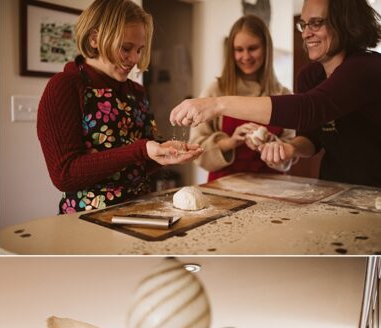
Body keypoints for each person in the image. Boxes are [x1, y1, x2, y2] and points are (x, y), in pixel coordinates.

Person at [170, 0, 381, 187]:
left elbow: (311, 107)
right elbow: (311, 138)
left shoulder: (366, 67)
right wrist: (288, 148)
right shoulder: (309, 76)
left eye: (316, 23)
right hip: (334, 187)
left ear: (344, 22)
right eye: (303, 24)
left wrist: (216, 104)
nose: (306, 33)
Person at [36, 0, 201, 214]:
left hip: (141, 211)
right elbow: (64, 175)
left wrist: (167, 153)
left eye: (139, 50)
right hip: (87, 219)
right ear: (95, 38)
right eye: (126, 48)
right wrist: (142, 149)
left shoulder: (137, 91)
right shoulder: (64, 87)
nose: (134, 59)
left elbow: (142, 160)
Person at [189, 15, 295, 181]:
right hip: (224, 189)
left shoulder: (284, 95)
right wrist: (230, 142)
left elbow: (291, 153)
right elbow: (196, 150)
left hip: (273, 188)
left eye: (252, 48)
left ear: (266, 48)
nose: (245, 56)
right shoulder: (215, 92)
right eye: (239, 50)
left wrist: (270, 142)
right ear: (231, 52)